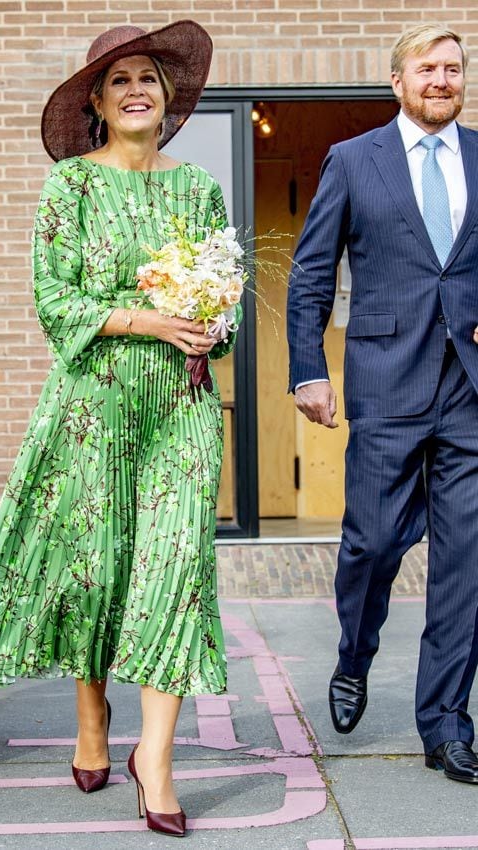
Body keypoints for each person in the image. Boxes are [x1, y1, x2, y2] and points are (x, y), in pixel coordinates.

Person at [0, 21, 239, 834]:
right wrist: (149, 320)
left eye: (148, 76)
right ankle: (90, 718)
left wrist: (215, 324)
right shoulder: (69, 187)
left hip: (182, 409)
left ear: (168, 93)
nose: (137, 89)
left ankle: (157, 758)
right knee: (97, 567)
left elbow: (226, 299)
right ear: (97, 102)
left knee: (175, 565)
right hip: (93, 406)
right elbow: (55, 301)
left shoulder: (200, 191)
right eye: (119, 81)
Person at [287, 23, 478, 784]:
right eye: (427, 68)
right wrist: (310, 370)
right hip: (385, 382)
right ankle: (354, 654)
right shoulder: (352, 160)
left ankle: (446, 724)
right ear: (397, 81)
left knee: (465, 563)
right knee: (370, 547)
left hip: (468, 391)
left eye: (454, 68)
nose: (442, 79)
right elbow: (309, 274)